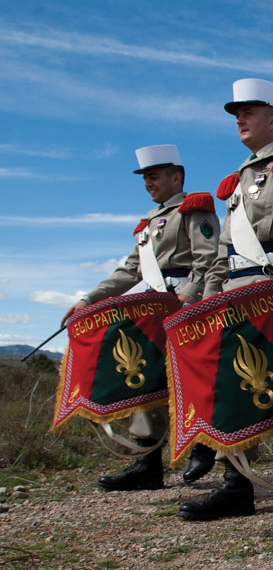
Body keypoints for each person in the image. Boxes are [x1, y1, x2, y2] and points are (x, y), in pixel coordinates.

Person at [178, 77, 273, 521]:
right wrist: (207, 300)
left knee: (267, 379)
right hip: (230, 291)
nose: (240, 120)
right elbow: (222, 253)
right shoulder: (236, 181)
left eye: (248, 112)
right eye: (236, 114)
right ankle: (246, 479)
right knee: (234, 386)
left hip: (271, 289)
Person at [61, 144, 219, 491]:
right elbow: (129, 270)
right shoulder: (148, 225)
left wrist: (191, 294)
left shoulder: (194, 209)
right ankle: (147, 464)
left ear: (176, 177)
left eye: (154, 176)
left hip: (184, 305)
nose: (148, 183)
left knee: (194, 376)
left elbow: (208, 259)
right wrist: (88, 298)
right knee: (145, 378)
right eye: (145, 178)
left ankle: (204, 444)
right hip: (153, 308)